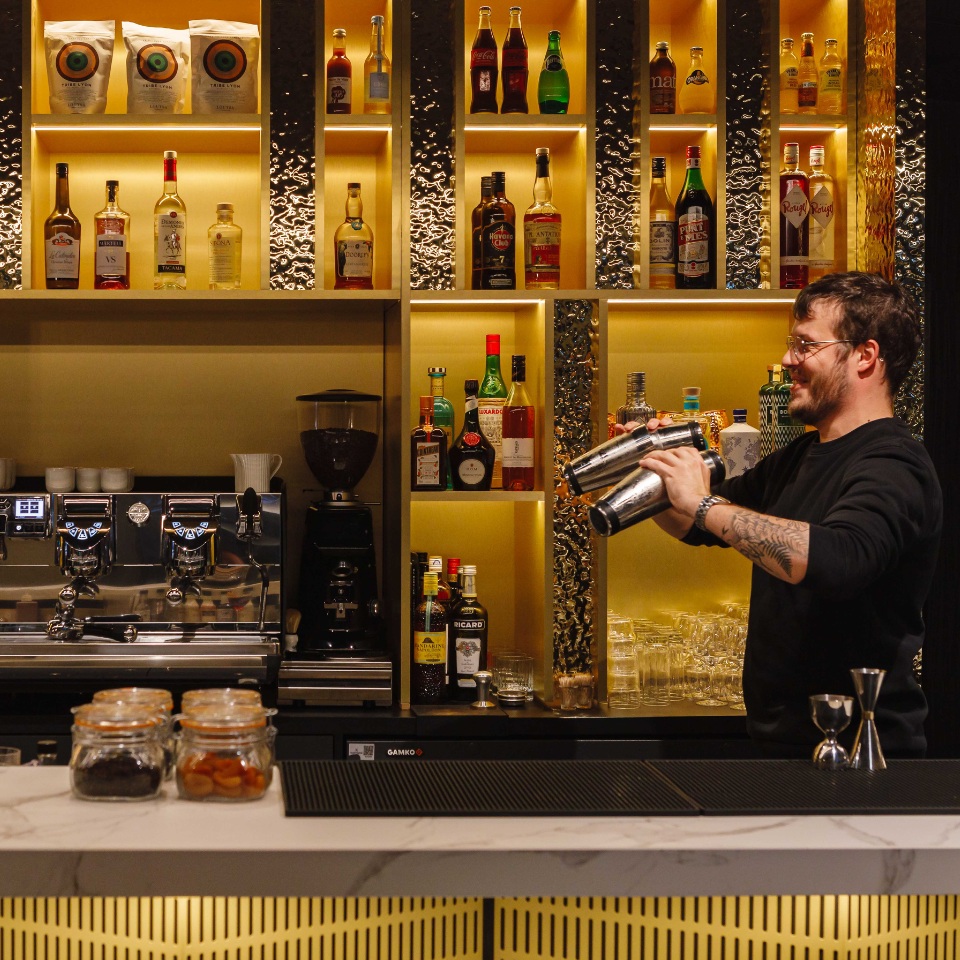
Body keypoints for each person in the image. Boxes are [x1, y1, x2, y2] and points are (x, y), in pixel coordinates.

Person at [638, 272, 942, 758]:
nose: (787, 361)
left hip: (861, 753)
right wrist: (653, 469)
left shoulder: (894, 463)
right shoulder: (801, 455)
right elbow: (695, 525)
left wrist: (702, 502)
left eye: (805, 345)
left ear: (864, 356)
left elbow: (837, 561)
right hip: (783, 745)